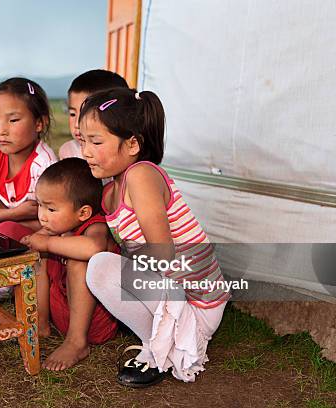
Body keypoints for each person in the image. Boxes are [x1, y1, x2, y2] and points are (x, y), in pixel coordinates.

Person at [79, 88, 231, 387]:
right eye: (83, 140)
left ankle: (160, 350)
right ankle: (163, 340)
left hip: (197, 303)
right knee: (102, 268)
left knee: (101, 266)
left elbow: (162, 253)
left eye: (96, 141)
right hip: (171, 294)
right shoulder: (111, 189)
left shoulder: (142, 176)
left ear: (133, 143)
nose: (85, 150)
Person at [21, 158, 118, 371]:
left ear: (83, 213)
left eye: (51, 209)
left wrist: (47, 241)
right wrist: (38, 243)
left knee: (78, 261)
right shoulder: (58, 227)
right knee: (39, 256)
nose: (42, 216)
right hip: (62, 313)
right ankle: (41, 323)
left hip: (94, 322)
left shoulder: (95, 225)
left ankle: (77, 343)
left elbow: (93, 248)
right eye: (40, 206)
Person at [0, 77, 57, 298]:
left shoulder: (44, 164)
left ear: (39, 123)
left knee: (5, 229)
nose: (1, 130)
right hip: (10, 228)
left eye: (13, 120)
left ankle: (5, 282)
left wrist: (1, 215)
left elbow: (46, 221)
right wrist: (15, 213)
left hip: (39, 237)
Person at [59, 70, 129, 160]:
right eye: (72, 114)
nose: (77, 124)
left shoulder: (124, 159)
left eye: (85, 115)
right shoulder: (68, 152)